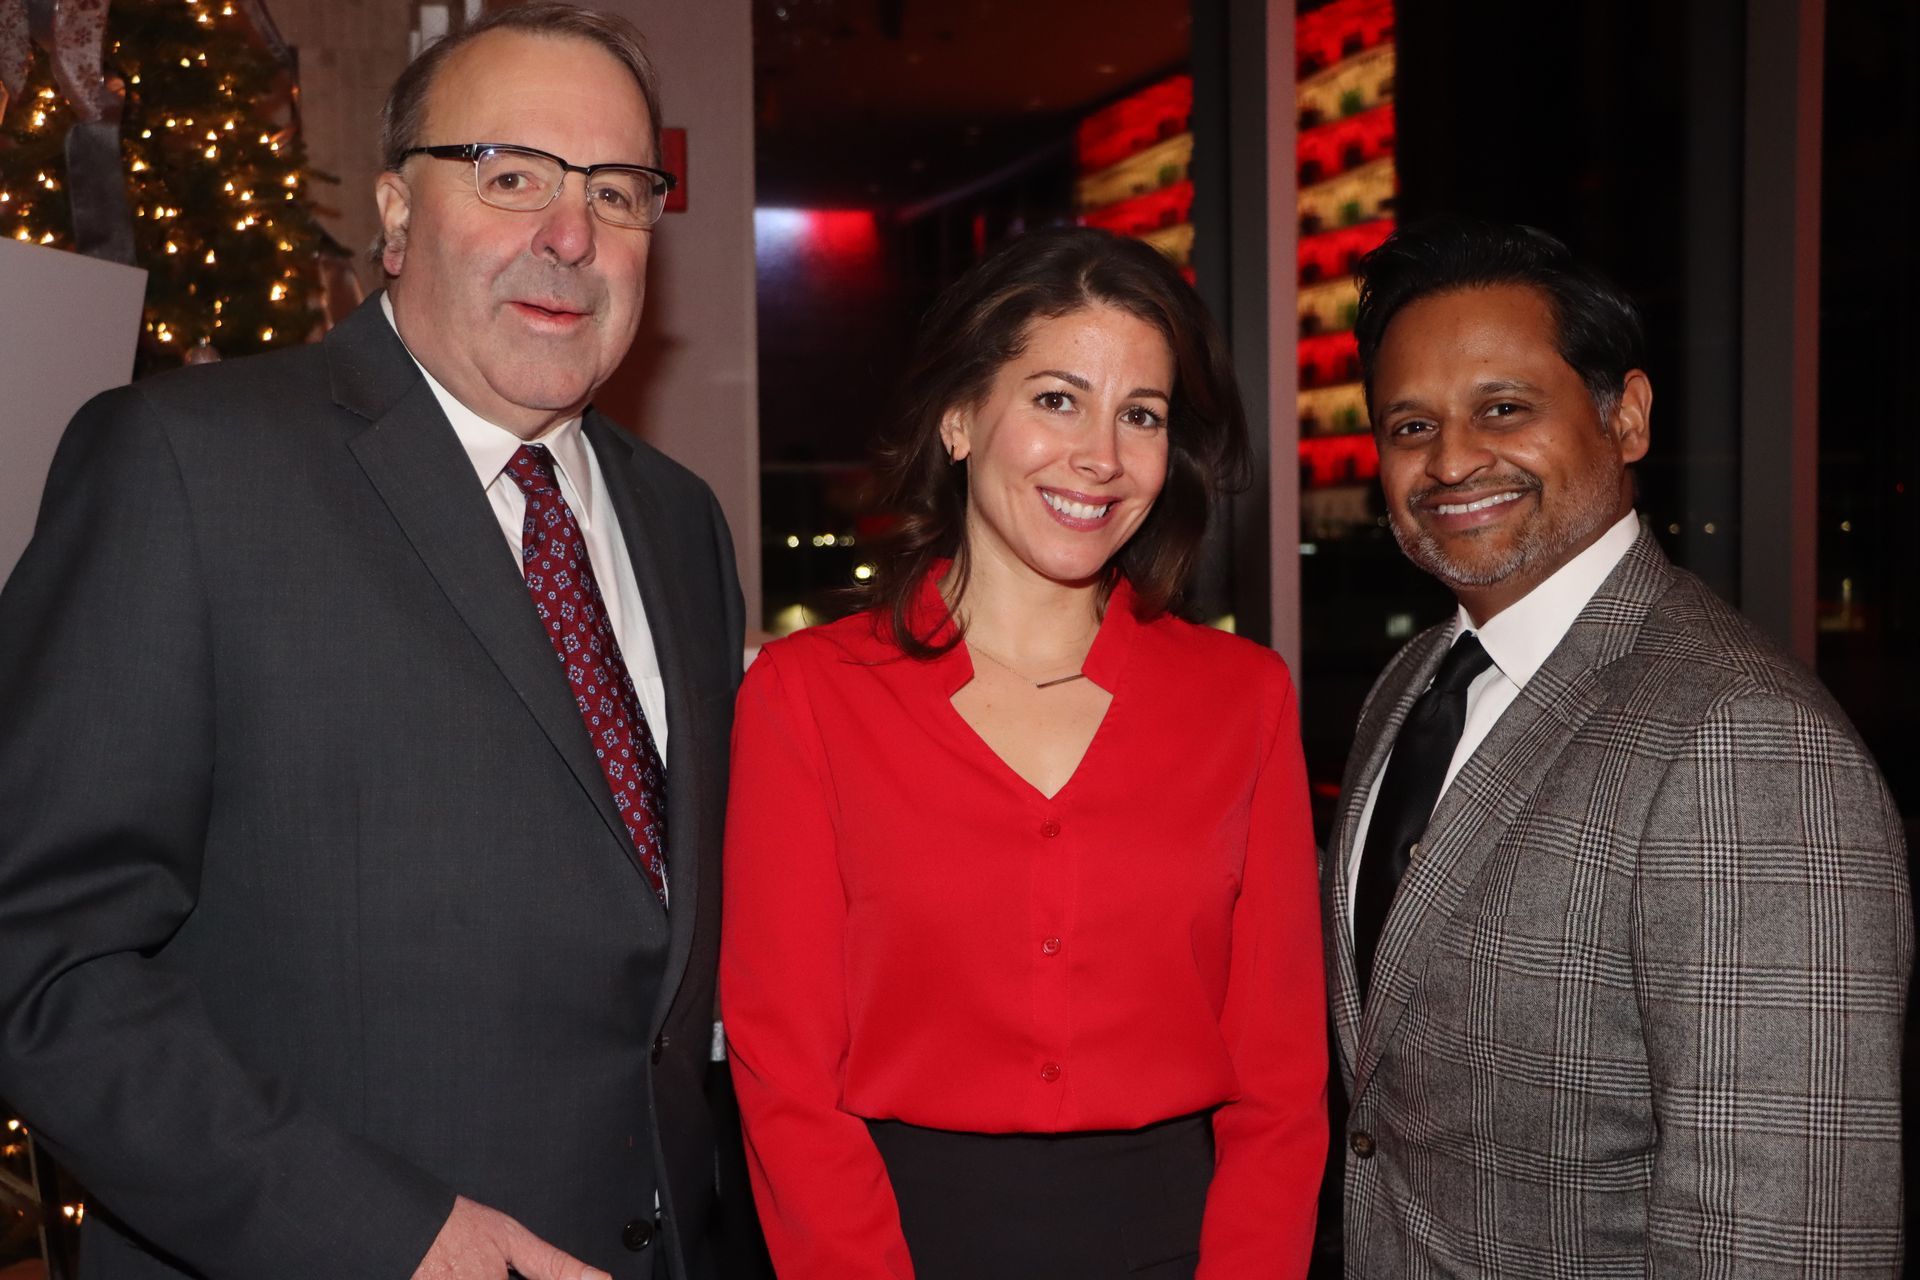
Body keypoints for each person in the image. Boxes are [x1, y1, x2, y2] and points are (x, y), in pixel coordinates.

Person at [0, 6, 743, 1278]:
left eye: (617, 191)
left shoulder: (680, 522)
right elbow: (40, 955)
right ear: (397, 214)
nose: (571, 234)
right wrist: (384, 1233)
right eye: (510, 176)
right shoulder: (186, 465)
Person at [721, 226, 1327, 1279]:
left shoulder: (1245, 698)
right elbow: (784, 1073)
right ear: (959, 418)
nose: (1102, 455)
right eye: (1057, 398)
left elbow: (1281, 1081)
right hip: (895, 1244)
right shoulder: (807, 695)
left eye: (1141, 414)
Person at [1324, 216, 1910, 1275]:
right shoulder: (1411, 684)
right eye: (1411, 425)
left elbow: (1784, 1235)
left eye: (1503, 408)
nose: (1451, 459)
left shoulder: (1747, 743)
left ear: (1626, 416)